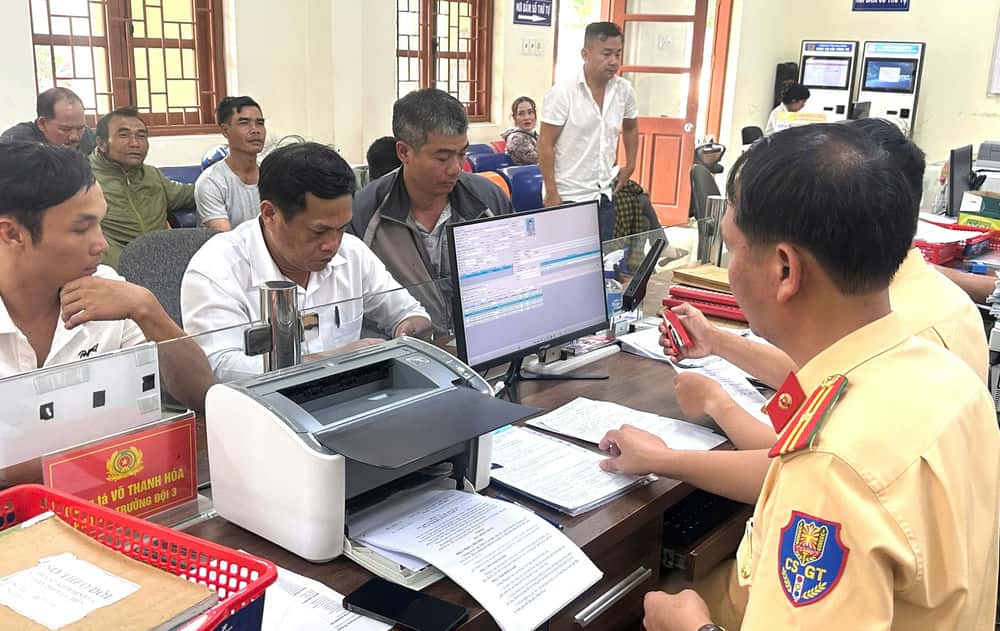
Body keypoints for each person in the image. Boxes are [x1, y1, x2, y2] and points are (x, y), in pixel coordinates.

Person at [601, 124, 1000, 630]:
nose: (730, 270)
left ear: (785, 270)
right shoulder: (949, 379)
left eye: (733, 248)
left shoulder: (833, 471)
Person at [182, 142, 431, 381]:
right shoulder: (217, 269)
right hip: (262, 407)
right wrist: (332, 361)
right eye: (318, 231)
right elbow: (218, 368)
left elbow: (411, 313)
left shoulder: (352, 253)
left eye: (342, 228)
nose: (332, 244)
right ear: (270, 213)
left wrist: (407, 331)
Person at [0, 143, 213, 412]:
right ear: (12, 234)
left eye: (99, 224)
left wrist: (148, 311)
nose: (102, 244)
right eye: (81, 229)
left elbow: (200, 396)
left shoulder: (108, 291)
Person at [352, 89, 512, 334]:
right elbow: (353, 309)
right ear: (404, 152)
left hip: (485, 342)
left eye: (462, 153)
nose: (456, 168)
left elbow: (514, 279)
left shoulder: (489, 198)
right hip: (405, 351)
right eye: (442, 158)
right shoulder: (365, 212)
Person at [538, 21, 638, 243]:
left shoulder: (623, 90)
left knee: (601, 258)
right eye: (606, 54)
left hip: (604, 194)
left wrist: (630, 164)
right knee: (568, 260)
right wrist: (551, 191)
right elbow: (545, 144)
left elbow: (631, 127)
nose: (613, 61)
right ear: (585, 54)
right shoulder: (563, 92)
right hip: (568, 196)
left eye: (618, 54)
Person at [90, 107, 195, 268]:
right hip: (114, 270)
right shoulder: (83, 178)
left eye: (141, 136)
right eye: (124, 135)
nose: (135, 143)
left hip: (164, 264)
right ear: (102, 144)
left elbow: (191, 194)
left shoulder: (152, 175)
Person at [195, 96, 266, 231]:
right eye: (244, 123)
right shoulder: (211, 182)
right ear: (225, 130)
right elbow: (226, 239)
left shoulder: (273, 174)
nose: (255, 130)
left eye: (260, 123)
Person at [1, 87, 97, 155]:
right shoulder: (16, 143)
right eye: (65, 129)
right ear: (42, 123)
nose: (74, 137)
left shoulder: (87, 137)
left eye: (80, 128)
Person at [500, 96, 539, 165]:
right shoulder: (516, 139)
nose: (527, 117)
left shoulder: (533, 135)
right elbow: (542, 160)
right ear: (514, 117)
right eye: (521, 114)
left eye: (530, 112)